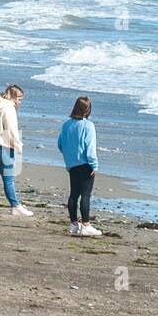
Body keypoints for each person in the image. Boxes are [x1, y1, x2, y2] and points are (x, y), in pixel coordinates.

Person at [0, 85, 33, 216]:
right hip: (2, 146)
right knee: (8, 178)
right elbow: (12, 130)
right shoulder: (9, 109)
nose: (19, 102)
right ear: (14, 97)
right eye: (19, 99)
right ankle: (16, 206)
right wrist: (18, 145)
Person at [57, 96, 101, 236]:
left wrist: (69, 156)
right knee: (86, 195)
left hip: (72, 165)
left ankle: (74, 224)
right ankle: (86, 225)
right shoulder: (88, 125)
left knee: (74, 195)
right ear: (88, 110)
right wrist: (94, 165)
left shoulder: (66, 125)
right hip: (86, 164)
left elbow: (60, 144)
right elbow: (90, 148)